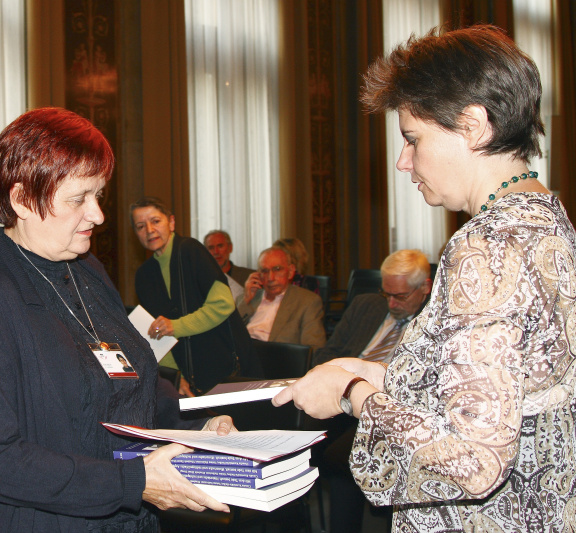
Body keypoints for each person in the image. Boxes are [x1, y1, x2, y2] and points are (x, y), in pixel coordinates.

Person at [274, 25, 576, 532]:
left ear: (474, 125)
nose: (402, 161)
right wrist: (372, 371)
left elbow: (473, 463)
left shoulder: (486, 246)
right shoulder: (547, 220)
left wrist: (350, 392)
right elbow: (495, 391)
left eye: (413, 139)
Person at [0, 107, 236, 532]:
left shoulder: (87, 270)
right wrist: (132, 482)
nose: (97, 215)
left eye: (98, 196)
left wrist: (196, 427)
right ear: (22, 199)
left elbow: (131, 382)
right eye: (78, 199)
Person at [310, 249, 431, 533]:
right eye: (385, 293)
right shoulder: (366, 305)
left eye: (400, 296)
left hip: (389, 412)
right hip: (338, 402)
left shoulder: (436, 320)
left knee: (344, 458)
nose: (391, 303)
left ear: (424, 288)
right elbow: (328, 353)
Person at [132, 198, 257, 395]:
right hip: (187, 378)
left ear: (171, 222)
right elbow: (156, 333)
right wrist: (175, 376)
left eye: (155, 221)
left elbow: (223, 304)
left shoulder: (191, 250)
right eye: (140, 226)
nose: (149, 230)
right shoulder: (143, 275)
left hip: (226, 366)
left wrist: (176, 326)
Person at [238, 247, 325, 349]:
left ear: (291, 271)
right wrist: (246, 300)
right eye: (265, 271)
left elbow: (314, 348)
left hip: (276, 359)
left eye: (277, 269)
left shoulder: (307, 302)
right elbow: (227, 333)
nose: (271, 278)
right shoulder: (247, 298)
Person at [203, 230, 255, 302]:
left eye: (220, 246)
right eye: (211, 248)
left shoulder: (248, 276)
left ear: (230, 248)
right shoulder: (200, 280)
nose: (216, 252)